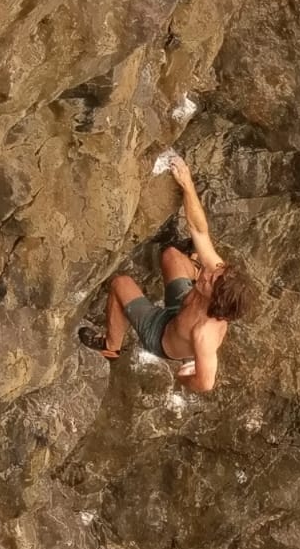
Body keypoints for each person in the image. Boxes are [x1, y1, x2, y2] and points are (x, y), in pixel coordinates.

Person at [78, 153, 256, 393]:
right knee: (171, 255)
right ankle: (188, 261)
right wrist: (187, 184)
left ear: (216, 298)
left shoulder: (205, 335)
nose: (207, 273)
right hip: (181, 307)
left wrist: (183, 379)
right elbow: (200, 231)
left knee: (120, 283)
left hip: (161, 334)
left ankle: (111, 347)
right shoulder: (216, 275)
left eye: (208, 281)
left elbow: (206, 383)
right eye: (212, 272)